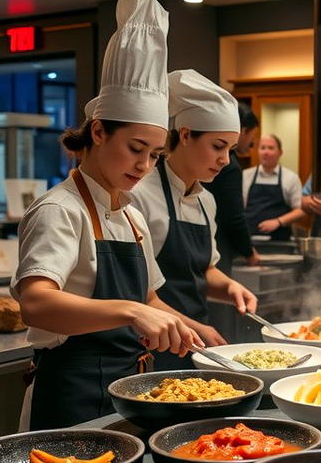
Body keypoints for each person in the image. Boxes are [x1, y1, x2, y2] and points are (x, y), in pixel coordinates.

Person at [12, 0, 204, 431]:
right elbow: (36, 303)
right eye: (135, 149)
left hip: (130, 393)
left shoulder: (131, 214)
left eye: (155, 155)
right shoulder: (60, 209)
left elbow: (149, 297)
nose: (144, 165)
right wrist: (130, 312)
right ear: (98, 131)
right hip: (71, 398)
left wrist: (190, 329)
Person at [130, 69, 257, 370]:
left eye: (230, 149)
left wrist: (229, 288)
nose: (225, 160)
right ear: (185, 135)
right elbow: (139, 293)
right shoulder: (140, 195)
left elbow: (203, 270)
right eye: (218, 146)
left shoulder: (205, 200)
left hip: (194, 346)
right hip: (151, 348)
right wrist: (196, 329)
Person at [208, 102, 260, 273]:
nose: (223, 159)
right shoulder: (230, 167)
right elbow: (234, 216)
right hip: (218, 245)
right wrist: (248, 251)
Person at [242, 133, 305, 240]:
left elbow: (300, 211)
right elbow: (240, 208)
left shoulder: (291, 178)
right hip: (250, 241)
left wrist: (278, 221)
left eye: (270, 148)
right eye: (262, 148)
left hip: (280, 242)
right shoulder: (245, 175)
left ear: (280, 152)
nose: (265, 152)